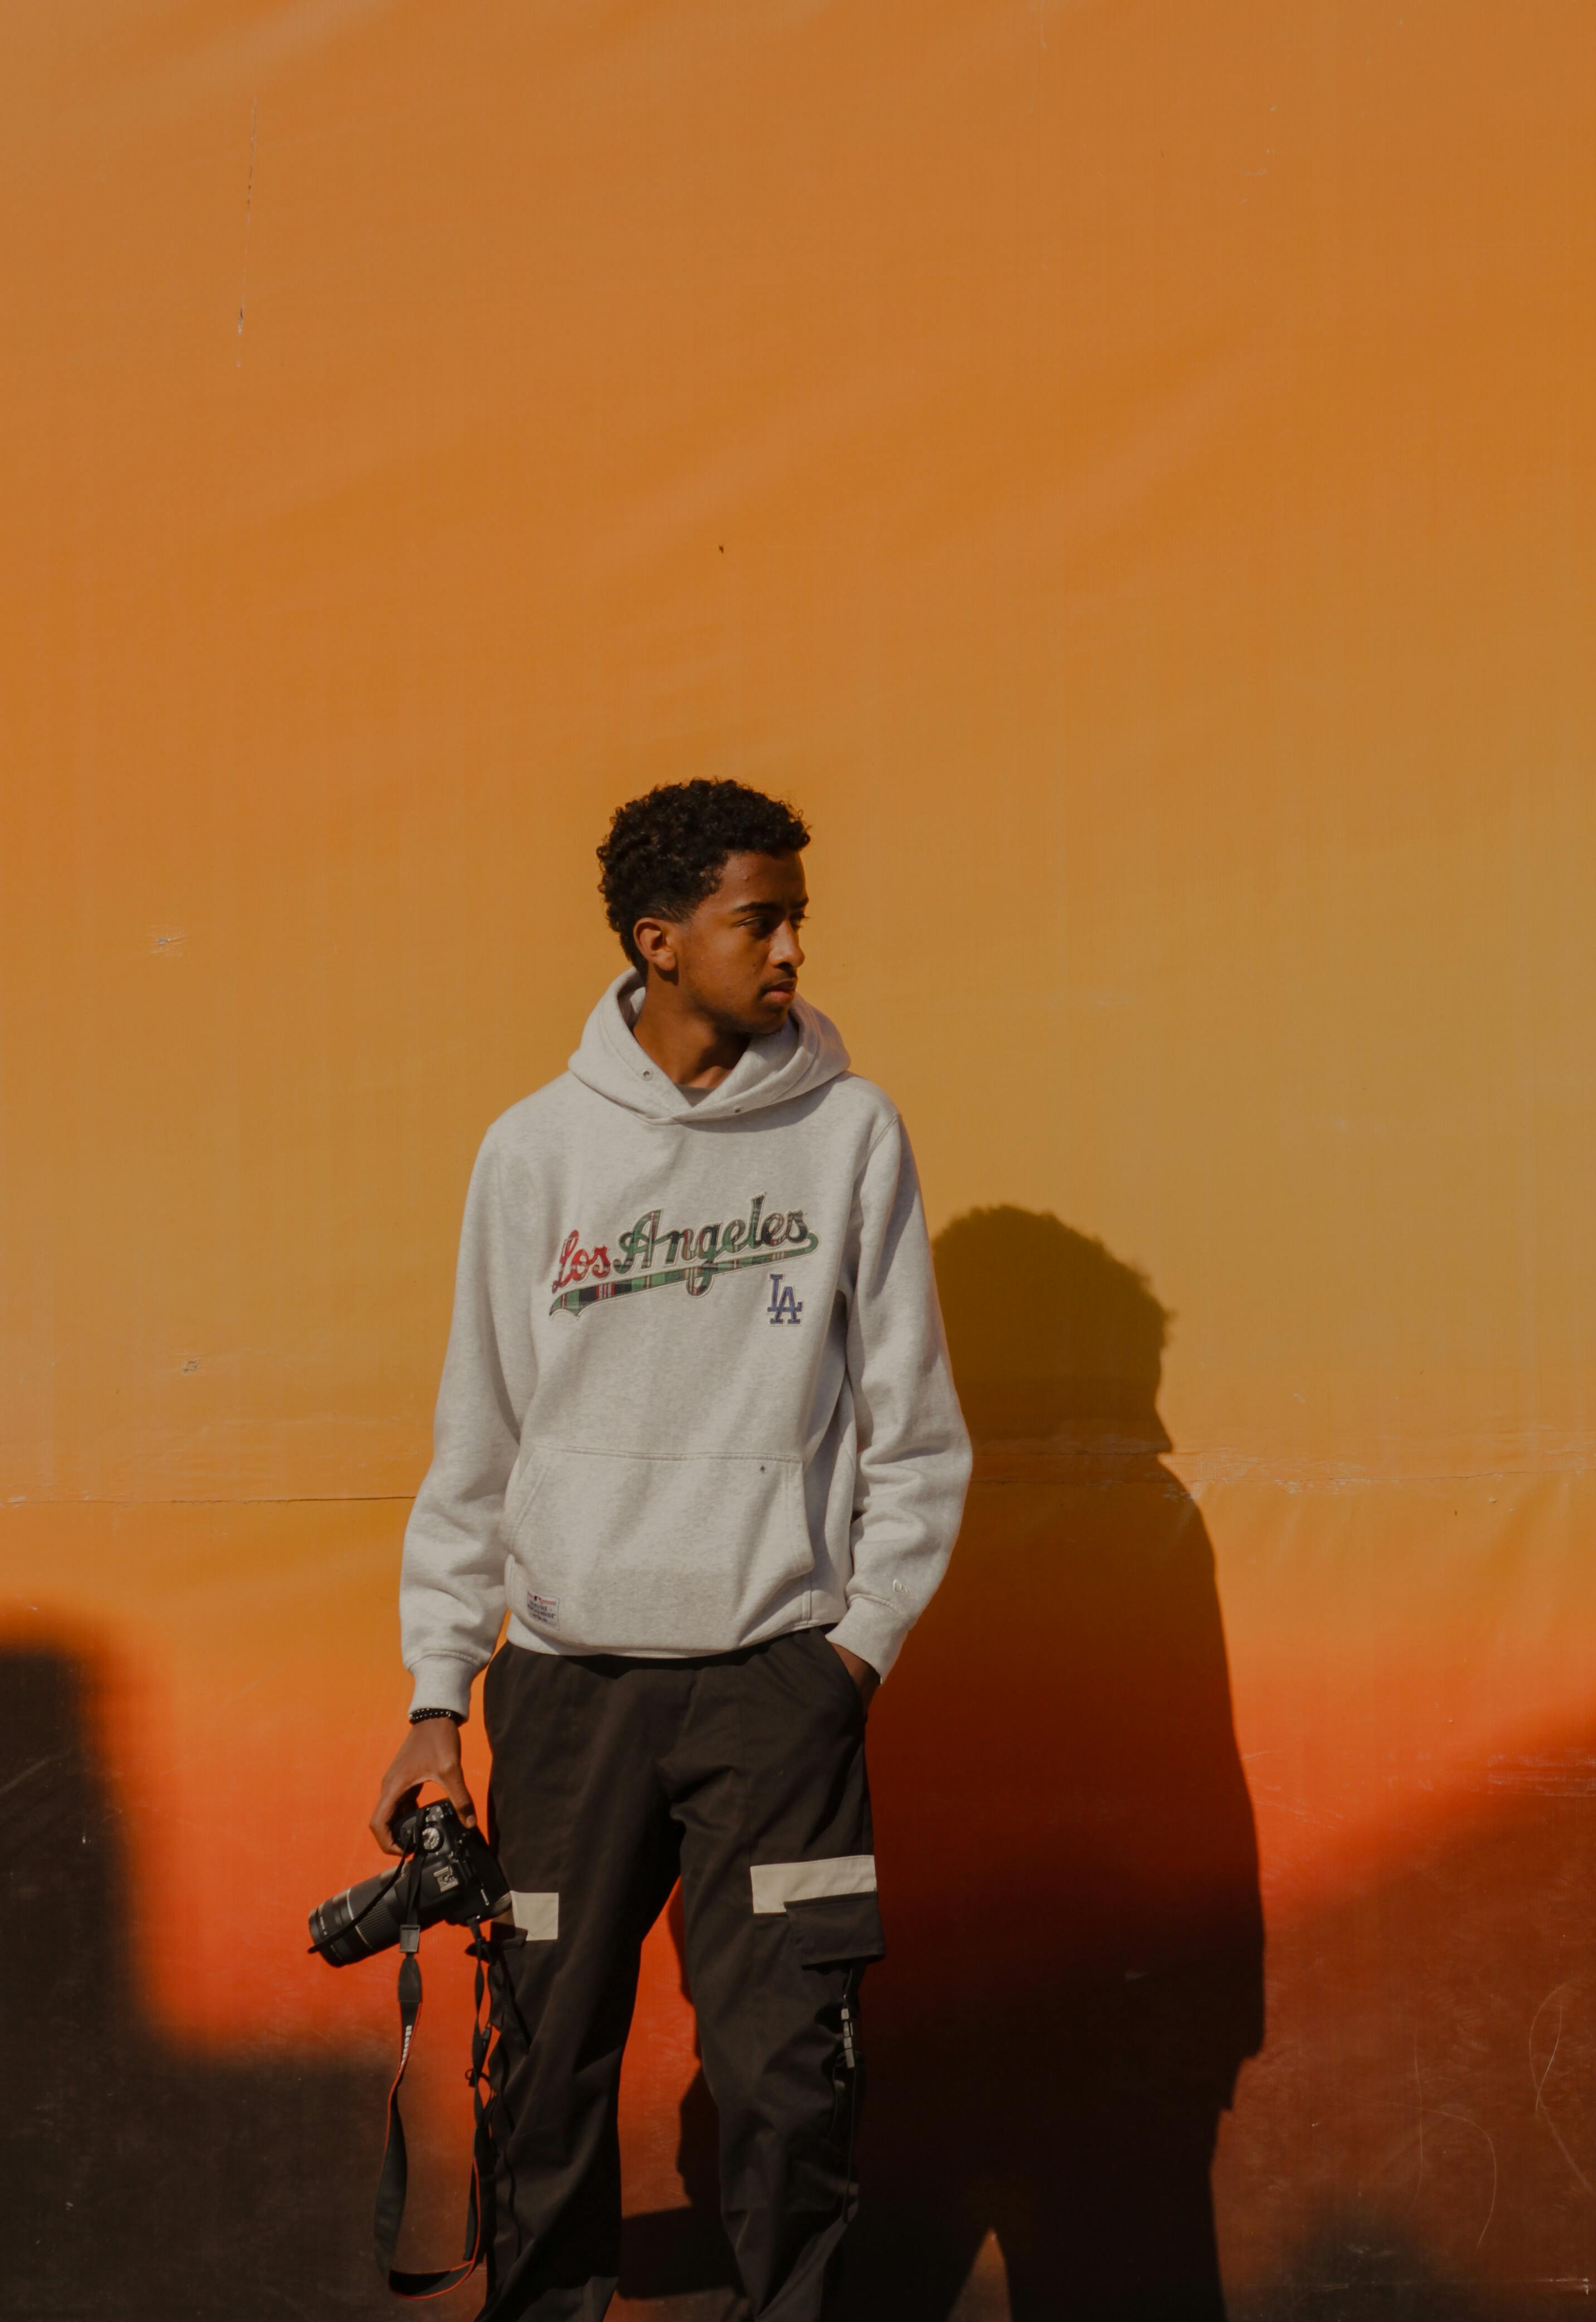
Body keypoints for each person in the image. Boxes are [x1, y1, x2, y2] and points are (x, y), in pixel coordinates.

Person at [371, 776, 971, 2322]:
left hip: (776, 1690)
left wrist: (849, 1652)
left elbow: (912, 1435)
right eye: (755, 921)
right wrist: (438, 1699)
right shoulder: (534, 1153)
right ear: (659, 940)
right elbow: (477, 1439)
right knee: (544, 2081)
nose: (789, 955)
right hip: (568, 1698)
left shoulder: (849, 1135)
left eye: (795, 922)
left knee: (786, 2088)